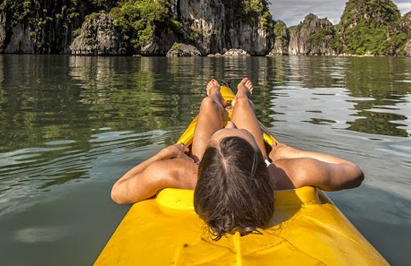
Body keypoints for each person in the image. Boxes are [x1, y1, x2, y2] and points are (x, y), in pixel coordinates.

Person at [110, 78, 365, 239]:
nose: (230, 126)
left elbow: (118, 192)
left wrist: (164, 154)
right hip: (249, 163)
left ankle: (216, 98)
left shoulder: (180, 172)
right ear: (260, 159)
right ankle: (238, 97)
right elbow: (352, 171)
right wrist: (289, 152)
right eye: (234, 130)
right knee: (241, 108)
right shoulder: (283, 173)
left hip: (213, 163)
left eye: (229, 129)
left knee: (207, 108)